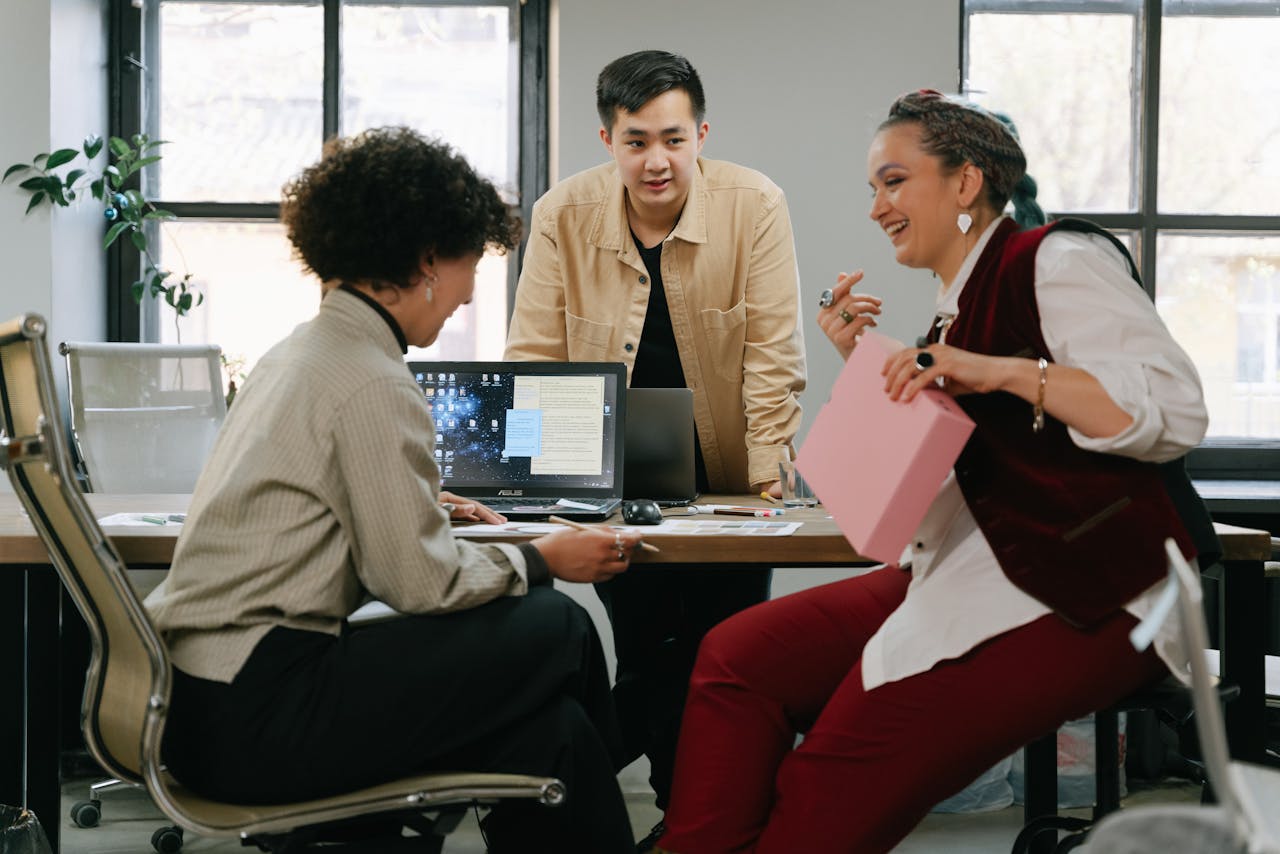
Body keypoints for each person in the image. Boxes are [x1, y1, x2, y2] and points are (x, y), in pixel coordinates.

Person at [655, 89, 1211, 853]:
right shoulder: (953, 308)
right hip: (974, 565)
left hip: (1090, 591)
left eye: (893, 181)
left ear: (966, 183)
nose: (877, 207)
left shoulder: (1054, 259)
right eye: (872, 190)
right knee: (735, 658)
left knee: (827, 779)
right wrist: (867, 364)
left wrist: (996, 372)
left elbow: (1174, 412)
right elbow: (937, 492)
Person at [143, 127, 643, 854]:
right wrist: (543, 557)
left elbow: (305, 497)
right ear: (427, 262)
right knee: (558, 624)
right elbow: (419, 582)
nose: (469, 291)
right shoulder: (373, 379)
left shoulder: (302, 354)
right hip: (261, 708)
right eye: (470, 264)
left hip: (198, 701)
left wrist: (415, 501)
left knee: (551, 738)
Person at [503, 49, 807, 845]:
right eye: (636, 141)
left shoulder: (756, 205)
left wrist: (770, 471)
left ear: (701, 133)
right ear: (608, 140)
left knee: (725, 653)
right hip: (609, 477)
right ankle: (692, 826)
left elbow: (774, 354)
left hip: (733, 480)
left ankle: (657, 809)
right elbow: (533, 355)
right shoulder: (561, 213)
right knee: (648, 647)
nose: (657, 160)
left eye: (673, 138)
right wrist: (533, 486)